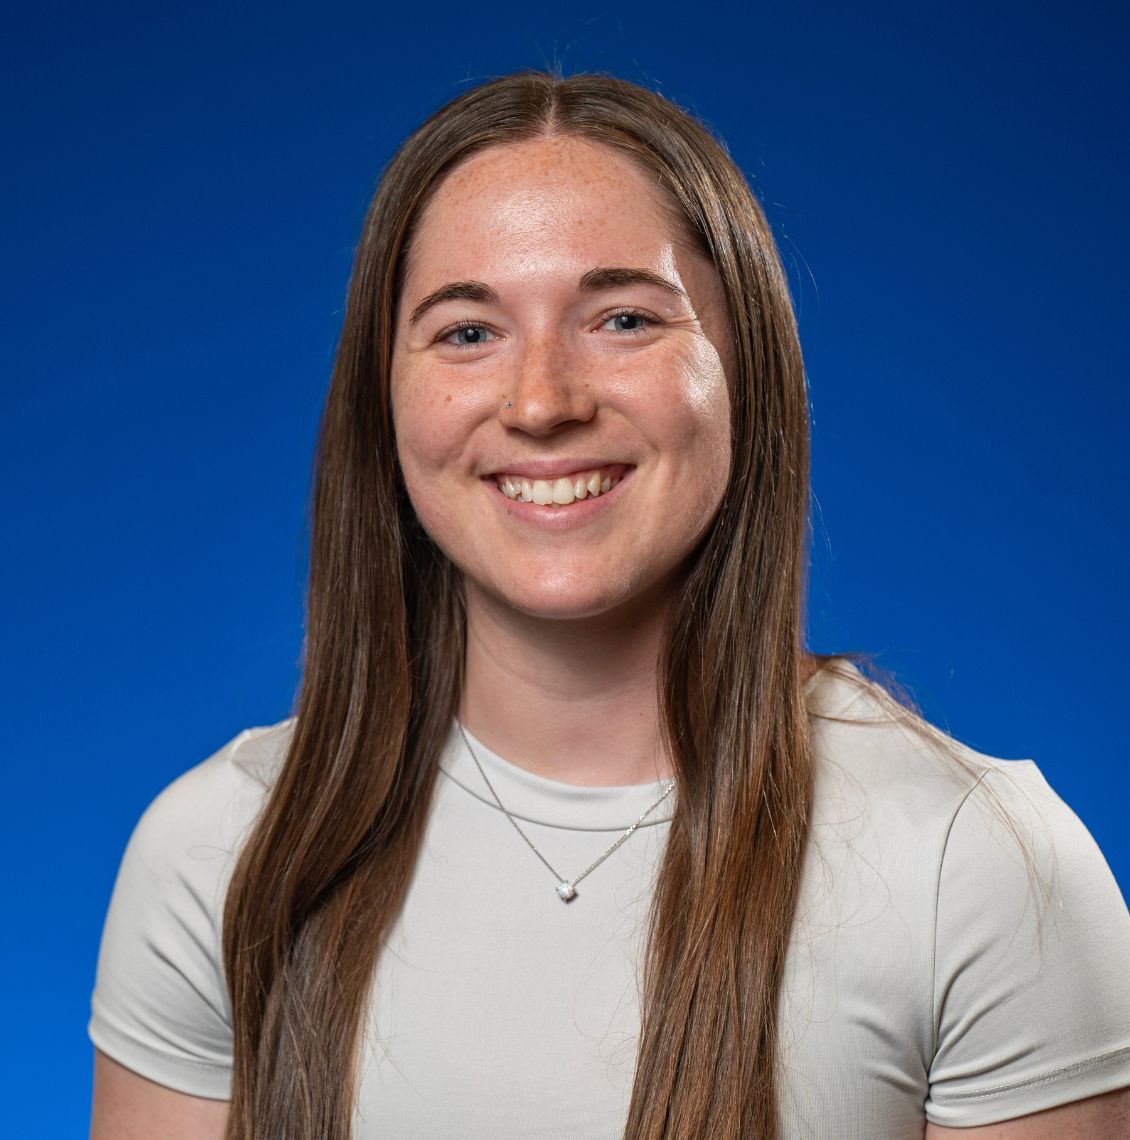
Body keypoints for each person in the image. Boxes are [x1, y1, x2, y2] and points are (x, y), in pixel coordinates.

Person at [88, 71, 1130, 1140]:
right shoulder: (219, 853)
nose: (542, 402)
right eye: (466, 332)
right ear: (382, 397)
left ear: (744, 370)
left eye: (622, 318)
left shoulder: (979, 868)